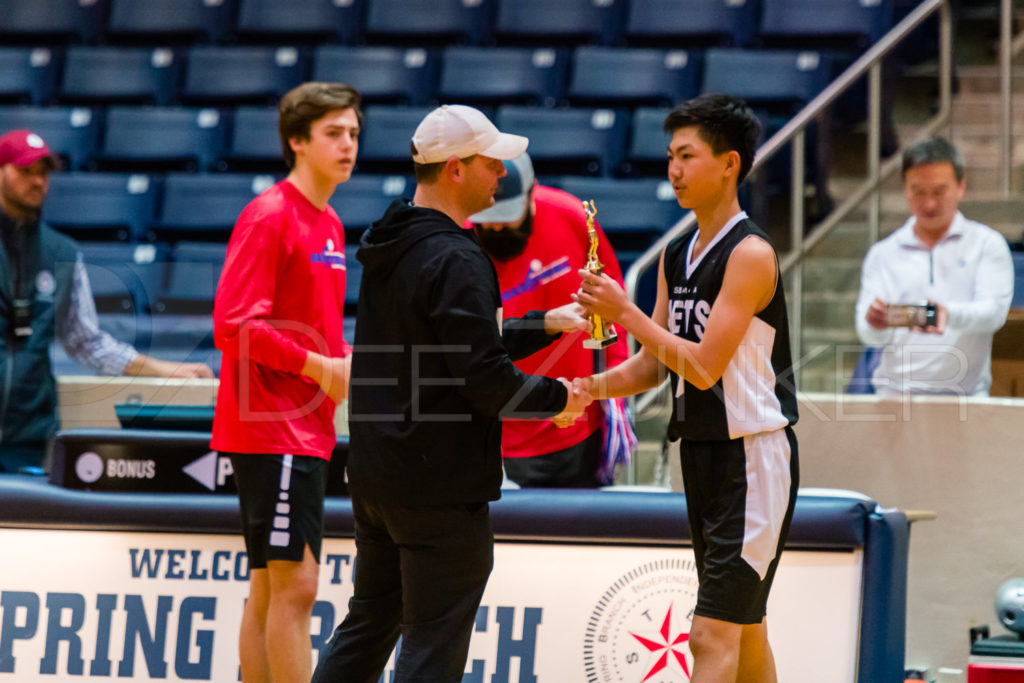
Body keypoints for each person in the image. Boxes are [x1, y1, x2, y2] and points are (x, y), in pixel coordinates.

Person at [311, 104, 592, 682]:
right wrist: (558, 398)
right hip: (438, 486)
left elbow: (444, 350)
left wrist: (543, 324)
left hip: (377, 476)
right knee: (432, 646)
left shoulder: (390, 242)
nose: (501, 176)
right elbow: (483, 378)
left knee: (367, 626)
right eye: (492, 164)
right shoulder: (459, 256)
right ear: (457, 169)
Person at [573, 94, 799, 683]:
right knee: (744, 633)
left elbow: (703, 367)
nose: (673, 169)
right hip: (699, 455)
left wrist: (624, 312)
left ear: (729, 163)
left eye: (687, 155)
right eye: (670, 156)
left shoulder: (750, 254)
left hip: (753, 458)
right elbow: (655, 366)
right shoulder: (677, 253)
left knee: (710, 634)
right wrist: (585, 389)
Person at [211, 82, 360, 683]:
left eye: (353, 132)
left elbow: (318, 328)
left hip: (305, 426)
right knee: (295, 587)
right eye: (333, 133)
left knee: (272, 588)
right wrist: (323, 369)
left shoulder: (330, 222)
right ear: (297, 141)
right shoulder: (271, 214)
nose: (348, 144)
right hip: (272, 425)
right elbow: (234, 325)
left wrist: (348, 362)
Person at [0, 129, 213, 474]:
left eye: (44, 172)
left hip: (27, 436)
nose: (38, 181)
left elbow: (86, 342)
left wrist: (164, 369)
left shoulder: (62, 252)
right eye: (25, 171)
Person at [466, 152, 634, 488]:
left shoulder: (571, 215)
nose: (497, 225)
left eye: (507, 215)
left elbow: (613, 306)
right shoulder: (461, 241)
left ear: (532, 194)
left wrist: (615, 385)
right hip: (498, 436)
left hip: (578, 422)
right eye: (489, 216)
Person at [854, 137, 1014, 396]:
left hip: (965, 398)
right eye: (918, 191)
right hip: (894, 397)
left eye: (940, 191)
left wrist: (946, 313)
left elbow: (994, 313)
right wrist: (876, 324)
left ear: (961, 187)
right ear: (905, 188)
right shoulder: (883, 253)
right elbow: (868, 334)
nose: (929, 203)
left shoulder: (987, 245)